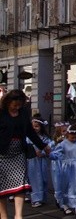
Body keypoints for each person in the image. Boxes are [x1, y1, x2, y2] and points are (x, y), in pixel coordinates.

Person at [0, 89, 51, 219]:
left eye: (19, 105)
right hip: (2, 154)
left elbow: (30, 132)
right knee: (2, 187)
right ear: (8, 102)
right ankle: (4, 215)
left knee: (20, 185)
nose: (17, 107)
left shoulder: (23, 113)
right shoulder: (1, 112)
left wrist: (43, 146)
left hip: (18, 153)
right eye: (14, 105)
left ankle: (19, 215)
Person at [49, 123, 76, 217]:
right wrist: (50, 154)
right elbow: (56, 154)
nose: (74, 139)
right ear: (67, 134)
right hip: (67, 168)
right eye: (72, 137)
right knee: (67, 186)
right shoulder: (63, 144)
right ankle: (65, 205)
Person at [26, 113, 53, 208]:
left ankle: (43, 197)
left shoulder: (45, 138)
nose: (34, 128)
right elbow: (25, 147)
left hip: (42, 162)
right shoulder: (28, 137)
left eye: (37, 126)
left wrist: (44, 153)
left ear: (41, 127)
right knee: (34, 179)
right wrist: (32, 151)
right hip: (32, 161)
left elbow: (50, 147)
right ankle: (36, 199)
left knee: (44, 179)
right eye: (33, 126)